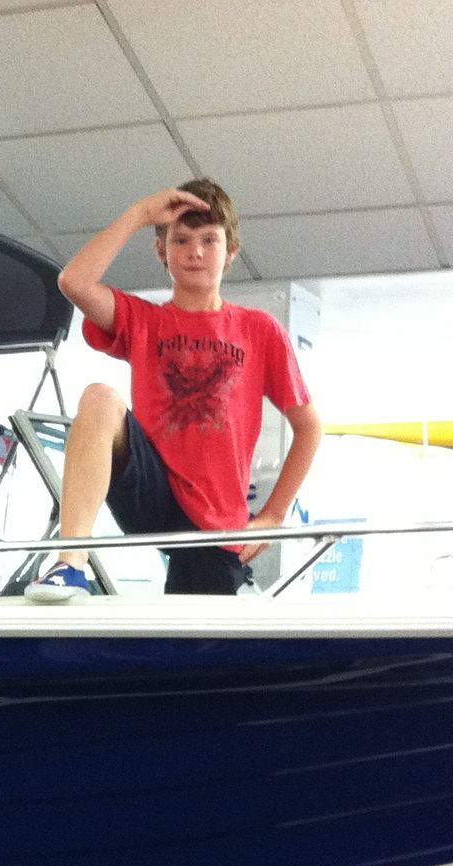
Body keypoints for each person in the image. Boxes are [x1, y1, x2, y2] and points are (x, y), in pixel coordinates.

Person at [28, 179, 322, 601]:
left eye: (209, 240)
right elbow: (74, 281)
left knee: (201, 640)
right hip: (153, 491)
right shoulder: (143, 320)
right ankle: (70, 562)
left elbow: (309, 428)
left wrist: (274, 513)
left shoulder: (259, 330)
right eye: (180, 240)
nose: (195, 251)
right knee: (99, 396)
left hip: (214, 519)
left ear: (231, 251)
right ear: (162, 252)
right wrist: (140, 215)